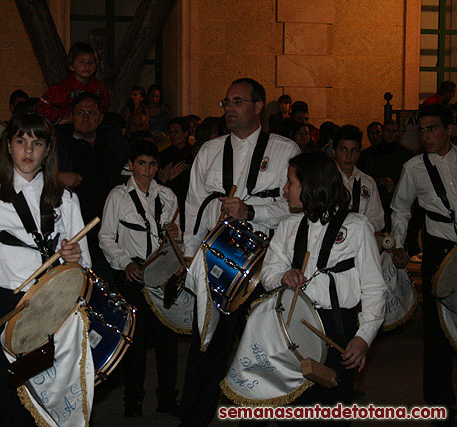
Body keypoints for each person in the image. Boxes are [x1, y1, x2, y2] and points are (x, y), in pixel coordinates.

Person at [0, 113, 90, 426]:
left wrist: (75, 259)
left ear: (47, 150)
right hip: (9, 307)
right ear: (8, 147)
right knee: (12, 408)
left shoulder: (67, 200)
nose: (28, 151)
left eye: (37, 143)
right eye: (20, 141)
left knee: (57, 405)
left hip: (59, 309)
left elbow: (85, 267)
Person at [180, 77, 300, 427]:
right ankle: (193, 419)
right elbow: (192, 206)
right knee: (206, 345)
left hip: (265, 258)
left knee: (259, 347)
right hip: (217, 257)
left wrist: (251, 211)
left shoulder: (284, 149)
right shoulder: (210, 149)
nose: (229, 109)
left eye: (237, 101)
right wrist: (190, 253)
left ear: (258, 106)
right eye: (226, 102)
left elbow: (294, 206)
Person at [261, 152, 386, 423]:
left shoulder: (356, 227)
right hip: (295, 326)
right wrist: (284, 276)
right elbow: (267, 274)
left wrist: (364, 337)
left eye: (290, 182)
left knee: (333, 409)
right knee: (294, 410)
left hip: (338, 326)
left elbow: (375, 288)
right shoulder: (288, 227)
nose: (284, 190)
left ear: (310, 186)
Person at [98, 139, 181, 418]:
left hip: (164, 277)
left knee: (168, 342)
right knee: (135, 343)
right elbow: (106, 237)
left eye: (152, 164)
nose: (147, 170)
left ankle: (167, 398)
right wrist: (124, 264)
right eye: (142, 163)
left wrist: (175, 233)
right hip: (133, 276)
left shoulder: (168, 196)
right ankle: (132, 400)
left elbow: (178, 240)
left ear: (158, 166)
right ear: (131, 165)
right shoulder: (117, 196)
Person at [390, 104, 457, 425]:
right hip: (439, 248)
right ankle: (440, 402)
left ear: (449, 129)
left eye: (433, 129)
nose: (427, 136)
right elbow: (401, 210)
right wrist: (399, 242)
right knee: (437, 329)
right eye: (423, 130)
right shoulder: (413, 167)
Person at [55, 92, 125, 282]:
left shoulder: (111, 142)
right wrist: (58, 178)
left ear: (101, 117)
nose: (86, 117)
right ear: (71, 115)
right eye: (81, 112)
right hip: (75, 231)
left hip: (110, 230)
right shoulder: (58, 144)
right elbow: (34, 177)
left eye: (91, 113)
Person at [356, 120, 413, 232]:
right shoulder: (370, 154)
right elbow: (362, 175)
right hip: (377, 198)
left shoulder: (406, 154)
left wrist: (396, 185)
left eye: (393, 131)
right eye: (387, 131)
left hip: (399, 199)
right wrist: (379, 181)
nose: (390, 134)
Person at [38, 42, 111, 124]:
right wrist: (58, 120)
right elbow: (43, 105)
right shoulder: (62, 88)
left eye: (91, 62)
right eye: (81, 62)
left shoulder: (99, 87)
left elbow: (105, 100)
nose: (86, 66)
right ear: (71, 66)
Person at [332, 125, 384, 231]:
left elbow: (378, 221)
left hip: (359, 240)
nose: (349, 156)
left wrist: (360, 229)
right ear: (334, 151)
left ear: (359, 153)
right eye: (343, 150)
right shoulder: (324, 180)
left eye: (353, 151)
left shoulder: (368, 182)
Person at [158, 117, 193, 228]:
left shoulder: (194, 153)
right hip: (173, 201)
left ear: (186, 133)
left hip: (190, 201)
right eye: (171, 132)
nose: (173, 135)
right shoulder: (164, 155)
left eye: (176, 132)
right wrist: (167, 178)